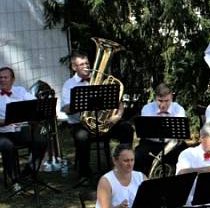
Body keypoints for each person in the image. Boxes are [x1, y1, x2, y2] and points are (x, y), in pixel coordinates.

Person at [61, 51, 134, 180]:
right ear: (74, 67)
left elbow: (119, 102)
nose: (86, 66)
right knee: (82, 137)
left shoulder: (101, 81)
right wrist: (81, 103)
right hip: (81, 124)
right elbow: (66, 109)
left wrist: (117, 116)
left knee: (126, 129)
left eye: (87, 63)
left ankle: (123, 165)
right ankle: (84, 173)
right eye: (81, 64)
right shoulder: (69, 85)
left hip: (103, 122)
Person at [0, 66, 48, 189]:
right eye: (0, 78)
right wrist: (6, 121)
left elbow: (35, 105)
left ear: (13, 79)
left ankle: (28, 173)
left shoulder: (20, 91)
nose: (2, 80)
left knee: (41, 140)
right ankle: (15, 180)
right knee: (7, 146)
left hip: (20, 130)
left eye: (6, 77)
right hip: (3, 132)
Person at [134, 83, 187, 174]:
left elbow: (179, 133)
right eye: (160, 101)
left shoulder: (178, 109)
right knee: (138, 156)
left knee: (186, 155)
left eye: (167, 101)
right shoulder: (147, 108)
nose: (163, 104)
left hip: (171, 144)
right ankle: (139, 182)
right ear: (155, 98)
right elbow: (146, 133)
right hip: (150, 143)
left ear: (171, 98)